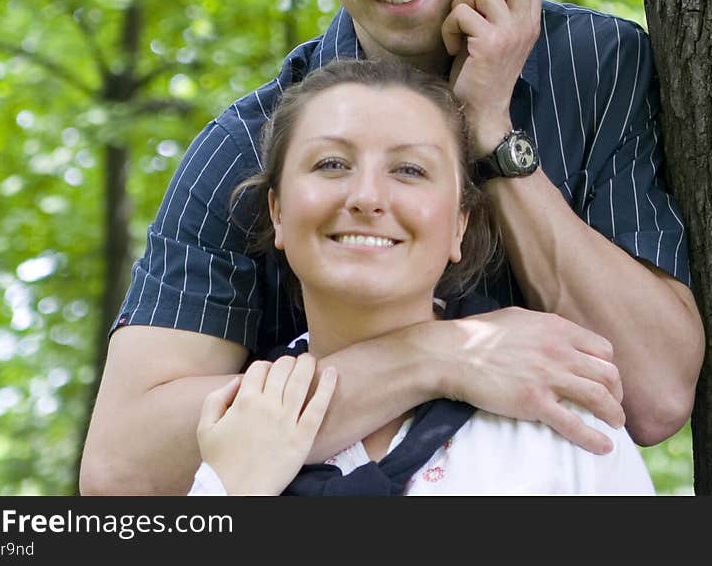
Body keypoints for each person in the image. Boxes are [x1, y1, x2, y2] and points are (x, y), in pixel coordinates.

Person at [80, 0, 704, 496]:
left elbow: (656, 392)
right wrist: (438, 355)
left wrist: (489, 129)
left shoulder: (600, 69)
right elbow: (123, 468)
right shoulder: (248, 143)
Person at [187, 59, 655, 495]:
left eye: (409, 170)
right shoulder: (233, 440)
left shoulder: (561, 419)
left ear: (459, 225)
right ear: (278, 212)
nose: (367, 197)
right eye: (331, 164)